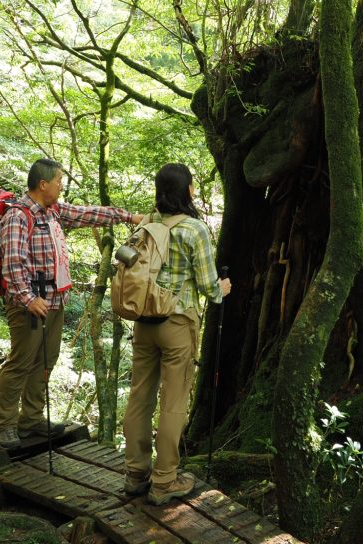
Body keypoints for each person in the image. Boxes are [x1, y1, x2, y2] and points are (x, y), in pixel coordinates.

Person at [0, 158, 143, 450]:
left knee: (46, 359)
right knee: (21, 362)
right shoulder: (18, 216)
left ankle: (31, 419)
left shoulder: (54, 211)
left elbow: (89, 214)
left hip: (54, 301)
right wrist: (28, 298)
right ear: (43, 184)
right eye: (59, 181)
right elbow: (12, 264)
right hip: (29, 304)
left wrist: (127, 217)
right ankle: (5, 426)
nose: (62, 186)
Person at [122, 163, 231, 505]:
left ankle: (135, 473)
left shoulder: (147, 225)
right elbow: (209, 287)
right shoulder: (193, 229)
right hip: (177, 323)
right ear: (187, 190)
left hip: (143, 323)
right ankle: (165, 479)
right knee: (173, 401)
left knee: (140, 395)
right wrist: (223, 288)